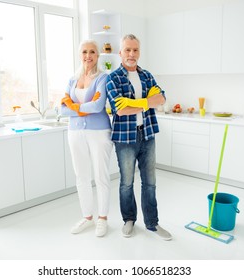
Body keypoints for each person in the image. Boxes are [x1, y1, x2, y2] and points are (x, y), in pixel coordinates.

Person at [106, 34, 172, 241]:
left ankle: (152, 223)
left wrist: (136, 102)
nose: (131, 54)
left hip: (148, 133)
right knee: (126, 182)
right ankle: (129, 220)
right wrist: (146, 101)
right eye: (127, 50)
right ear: (120, 52)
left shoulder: (147, 75)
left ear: (139, 52)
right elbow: (120, 109)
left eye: (135, 50)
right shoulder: (113, 78)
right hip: (125, 138)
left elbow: (161, 99)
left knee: (150, 182)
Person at [61, 40, 112, 237]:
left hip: (99, 132)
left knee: (101, 176)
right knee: (81, 176)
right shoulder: (72, 80)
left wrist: (74, 107)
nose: (88, 56)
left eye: (92, 52)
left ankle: (103, 218)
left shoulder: (102, 78)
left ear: (98, 56)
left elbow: (98, 106)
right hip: (75, 132)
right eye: (84, 52)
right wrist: (82, 108)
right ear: (80, 54)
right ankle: (87, 217)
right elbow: (61, 109)